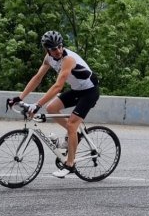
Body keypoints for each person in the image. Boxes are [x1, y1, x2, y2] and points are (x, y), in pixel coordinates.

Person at [7, 31, 100, 178]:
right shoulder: (48, 58)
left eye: (59, 47)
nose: (58, 51)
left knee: (71, 124)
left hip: (90, 92)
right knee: (51, 108)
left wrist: (37, 105)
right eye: (53, 49)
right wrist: (20, 97)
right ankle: (74, 136)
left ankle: (70, 165)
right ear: (47, 50)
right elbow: (38, 78)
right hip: (77, 90)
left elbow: (58, 86)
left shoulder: (68, 59)